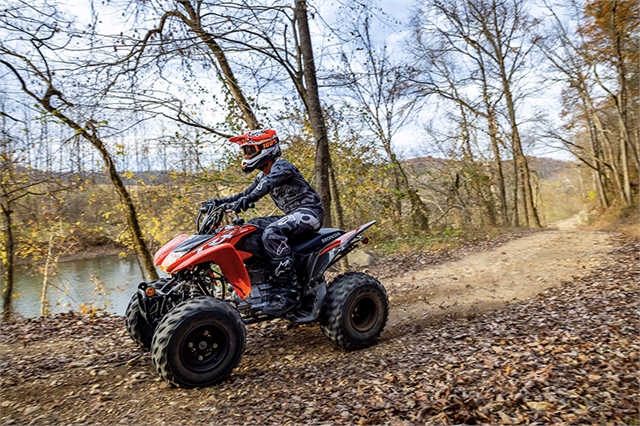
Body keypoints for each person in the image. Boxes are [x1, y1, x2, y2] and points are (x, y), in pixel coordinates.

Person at [210, 129, 324, 314]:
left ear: (266, 148)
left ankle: (289, 292)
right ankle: (262, 281)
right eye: (245, 151)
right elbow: (244, 194)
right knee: (248, 229)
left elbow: (265, 186)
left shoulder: (282, 166)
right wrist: (218, 203)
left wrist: (248, 200)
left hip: (310, 214)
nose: (246, 155)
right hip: (291, 215)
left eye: (250, 150)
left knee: (272, 232)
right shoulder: (261, 175)